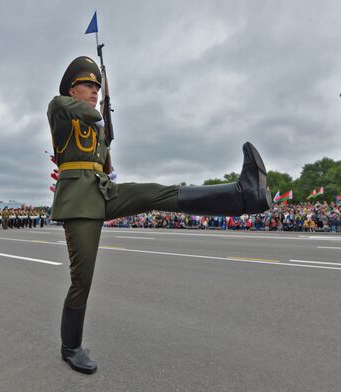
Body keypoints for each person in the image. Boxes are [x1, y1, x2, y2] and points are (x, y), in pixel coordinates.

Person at [48, 56, 272, 374]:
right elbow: (75, 111)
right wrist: (100, 117)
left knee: (158, 192)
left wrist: (106, 152)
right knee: (82, 280)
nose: (95, 91)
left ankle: (241, 195)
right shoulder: (59, 108)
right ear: (72, 88)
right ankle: (70, 346)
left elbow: (103, 160)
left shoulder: (95, 125)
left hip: (103, 193)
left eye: (98, 86)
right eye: (89, 85)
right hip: (79, 204)